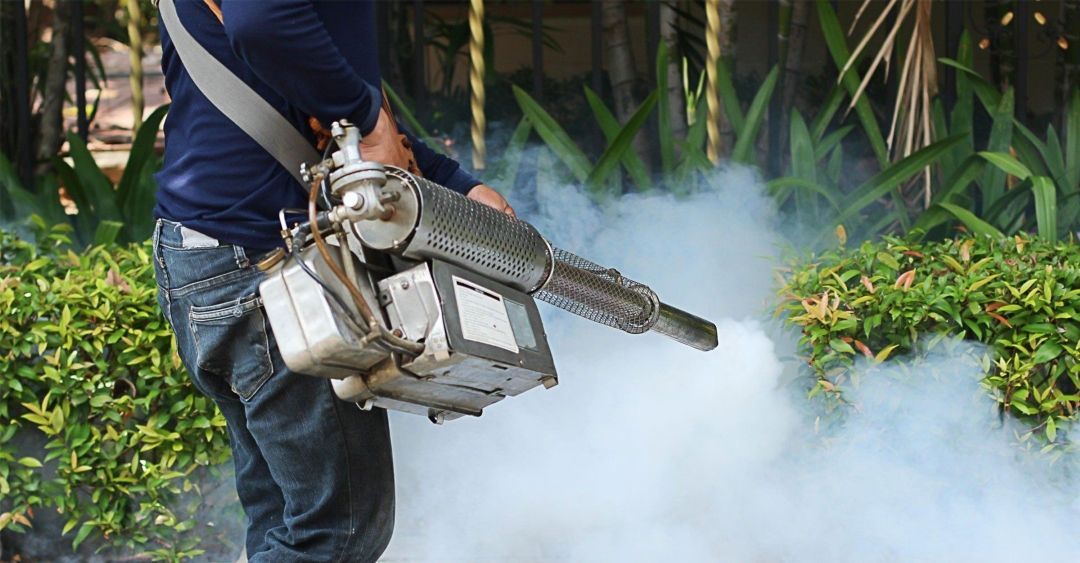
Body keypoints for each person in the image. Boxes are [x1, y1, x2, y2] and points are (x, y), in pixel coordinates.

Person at [151, 1, 513, 560]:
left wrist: (447, 179)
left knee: (287, 525)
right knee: (337, 533)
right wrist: (367, 119)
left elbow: (304, 88)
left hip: (220, 253)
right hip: (271, 264)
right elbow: (264, 25)